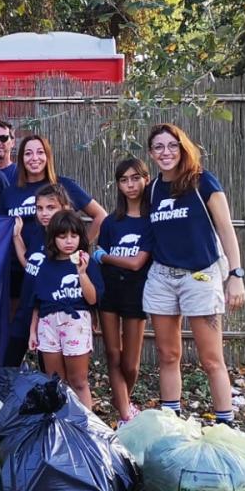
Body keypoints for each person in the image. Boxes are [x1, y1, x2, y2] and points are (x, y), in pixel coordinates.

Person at [143, 122, 245, 424]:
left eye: (172, 145)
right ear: (151, 153)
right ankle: (171, 423)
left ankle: (225, 424)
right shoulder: (152, 190)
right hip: (162, 278)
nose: (166, 152)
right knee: (167, 355)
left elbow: (226, 229)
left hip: (200, 276)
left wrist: (236, 274)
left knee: (211, 359)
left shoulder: (202, 182)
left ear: (183, 147)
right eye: (159, 147)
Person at [27, 209, 103, 409]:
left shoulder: (87, 263)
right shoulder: (45, 266)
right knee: (56, 382)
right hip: (48, 324)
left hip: (75, 322)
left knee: (78, 381)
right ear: (53, 238)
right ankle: (62, 428)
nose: (68, 241)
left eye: (74, 235)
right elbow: (38, 302)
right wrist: (32, 331)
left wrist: (82, 273)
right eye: (62, 236)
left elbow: (92, 298)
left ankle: (87, 429)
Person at [95, 159, 153, 423]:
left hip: (136, 293)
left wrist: (105, 257)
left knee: (130, 363)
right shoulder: (110, 223)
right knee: (112, 354)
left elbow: (136, 263)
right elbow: (97, 261)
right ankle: (125, 415)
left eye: (135, 178)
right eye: (123, 180)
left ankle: (123, 403)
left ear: (146, 179)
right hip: (109, 292)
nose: (130, 185)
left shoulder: (152, 221)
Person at [5, 183, 71, 367]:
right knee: (9, 362)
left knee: (49, 372)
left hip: (47, 315)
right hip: (24, 310)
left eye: (51, 207)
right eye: (39, 208)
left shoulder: (64, 242)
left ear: (64, 208)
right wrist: (17, 237)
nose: (44, 213)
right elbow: (30, 264)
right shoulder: (37, 232)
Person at [12, 133, 108, 240]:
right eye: (28, 153)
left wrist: (81, 247)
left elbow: (101, 215)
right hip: (20, 255)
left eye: (40, 152)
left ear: (47, 156)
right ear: (21, 158)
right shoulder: (10, 193)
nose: (34, 158)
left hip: (57, 255)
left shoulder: (65, 185)